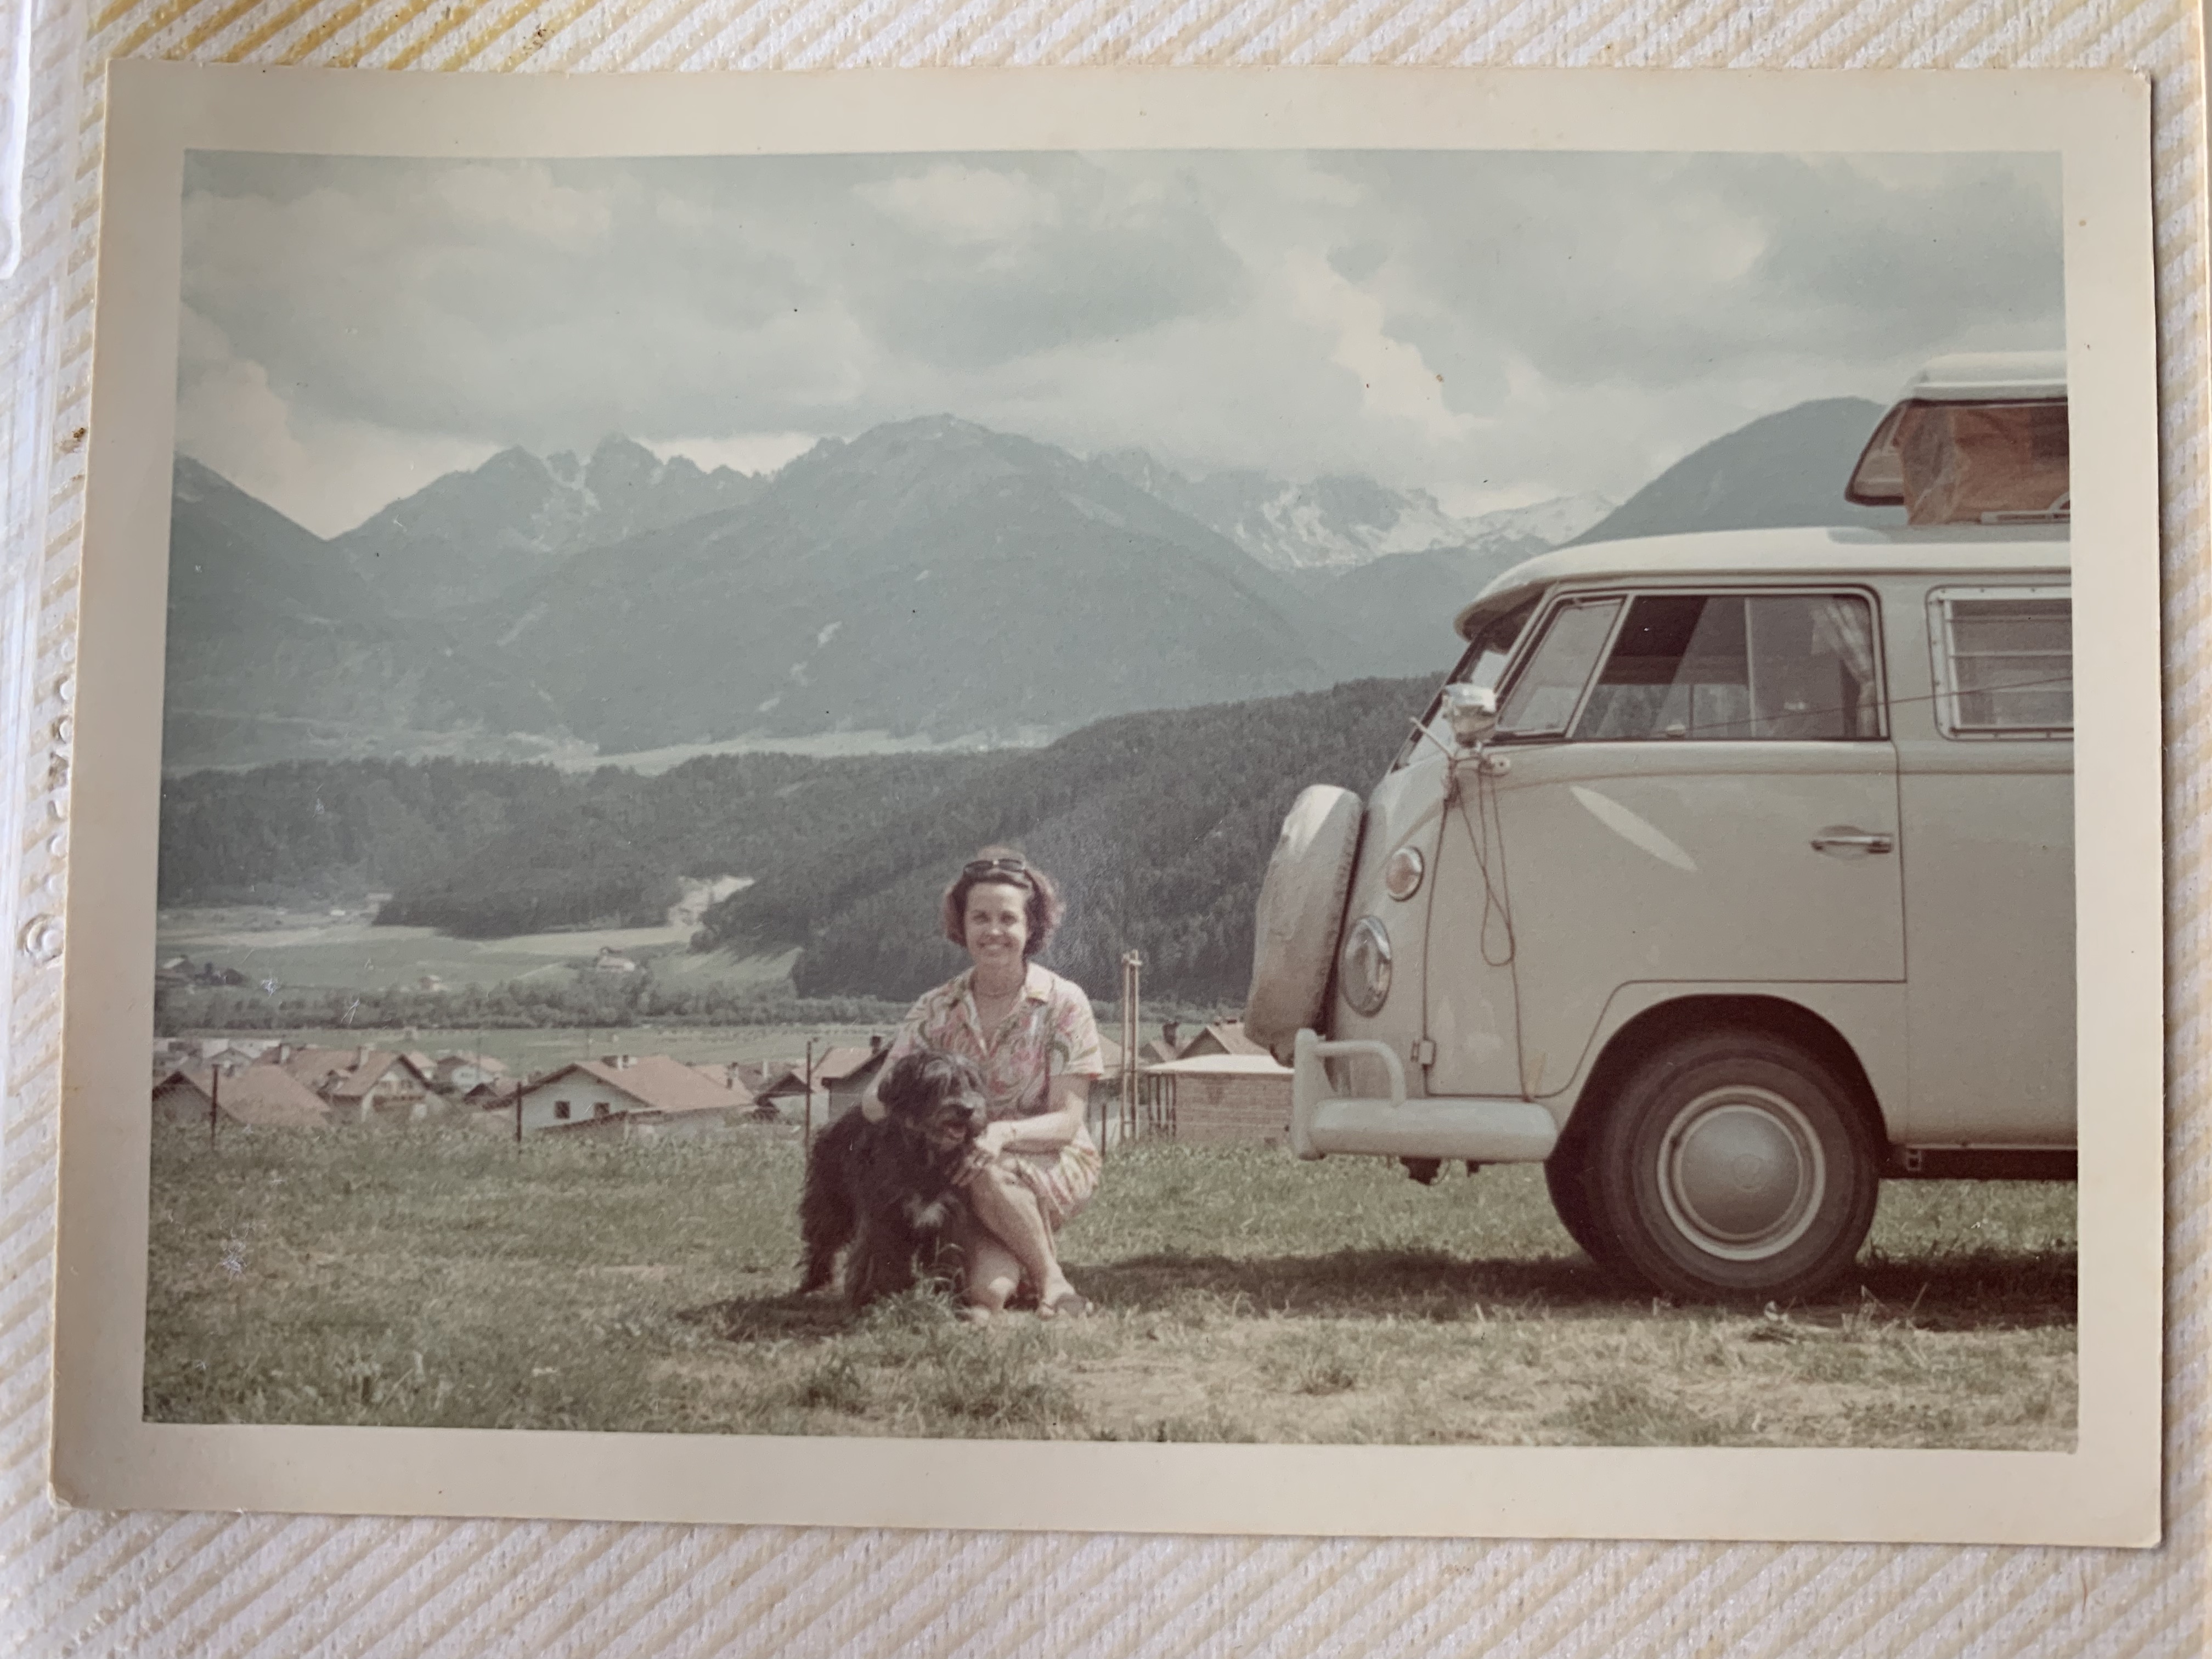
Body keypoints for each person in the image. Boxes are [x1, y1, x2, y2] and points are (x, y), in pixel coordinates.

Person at [863, 848, 1104, 1321]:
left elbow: (1068, 1120)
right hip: (957, 1164)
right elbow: (875, 1100)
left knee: (986, 1170)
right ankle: (1008, 1272)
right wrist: (925, 1121)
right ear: (962, 926)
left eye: (1008, 919)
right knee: (986, 1293)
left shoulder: (1063, 1003)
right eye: (980, 918)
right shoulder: (935, 1009)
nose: (994, 931)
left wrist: (999, 1134)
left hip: (1051, 1156)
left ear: (1031, 928)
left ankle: (1053, 1281)